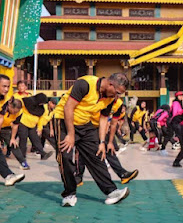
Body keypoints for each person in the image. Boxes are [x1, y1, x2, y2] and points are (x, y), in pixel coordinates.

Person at [53, 73, 130, 207]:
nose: (117, 96)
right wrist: (70, 134)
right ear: (110, 84)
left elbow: (103, 118)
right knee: (65, 156)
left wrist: (101, 143)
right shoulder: (85, 84)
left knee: (97, 155)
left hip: (86, 124)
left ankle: (111, 191)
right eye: (117, 92)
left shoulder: (111, 98)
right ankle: (69, 194)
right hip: (64, 121)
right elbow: (68, 108)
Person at [0, 74, 25, 186]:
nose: (6, 89)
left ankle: (9, 176)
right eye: (3, 86)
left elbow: (0, 118)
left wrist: (13, 138)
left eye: (8, 87)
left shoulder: (6, 99)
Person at [17, 94, 54, 160]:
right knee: (23, 140)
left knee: (36, 140)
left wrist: (39, 128)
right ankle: (22, 157)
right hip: (23, 123)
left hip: (32, 125)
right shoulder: (27, 101)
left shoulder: (41, 109)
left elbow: (41, 119)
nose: (41, 104)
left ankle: (43, 154)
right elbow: (20, 108)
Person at [1, 98, 29, 169]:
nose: (15, 113)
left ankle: (23, 163)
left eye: (17, 111)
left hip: (5, 128)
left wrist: (13, 138)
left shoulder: (19, 112)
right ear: (10, 106)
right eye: (14, 111)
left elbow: (15, 125)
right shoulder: (2, 106)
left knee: (13, 144)